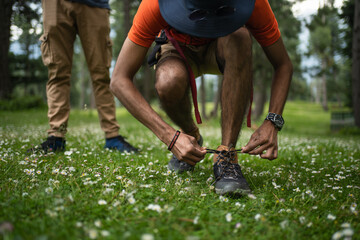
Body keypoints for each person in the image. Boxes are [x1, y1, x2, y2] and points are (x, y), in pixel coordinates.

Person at [110, 0, 293, 196]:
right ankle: (191, 137)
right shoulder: (155, 4)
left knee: (240, 36)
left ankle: (227, 156)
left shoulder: (255, 3)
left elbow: (283, 64)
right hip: (177, 47)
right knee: (168, 81)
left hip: (224, 44)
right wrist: (169, 136)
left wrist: (272, 121)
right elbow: (119, 80)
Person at [31, 0, 138, 153]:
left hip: (95, 4)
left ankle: (112, 137)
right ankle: (56, 136)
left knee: (101, 75)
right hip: (55, 4)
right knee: (57, 73)